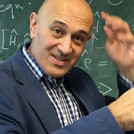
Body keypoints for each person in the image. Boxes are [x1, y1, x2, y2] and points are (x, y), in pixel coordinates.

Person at [0, 0, 134, 133]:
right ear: (34, 25)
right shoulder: (3, 85)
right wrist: (111, 120)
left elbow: (122, 125)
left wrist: (127, 70)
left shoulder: (81, 79)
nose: (66, 49)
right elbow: (110, 122)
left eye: (78, 38)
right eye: (57, 31)